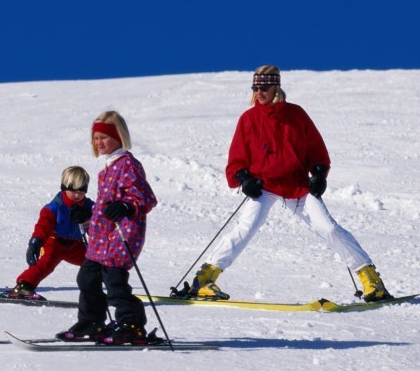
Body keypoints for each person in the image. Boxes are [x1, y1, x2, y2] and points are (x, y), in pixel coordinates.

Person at [186, 65, 391, 303]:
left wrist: (318, 174)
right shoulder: (249, 119)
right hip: (265, 186)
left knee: (329, 228)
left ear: (276, 87)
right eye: (255, 87)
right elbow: (237, 158)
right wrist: (245, 179)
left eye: (264, 87)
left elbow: (316, 151)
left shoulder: (296, 115)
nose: (259, 92)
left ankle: (371, 280)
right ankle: (203, 280)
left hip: (297, 186)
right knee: (245, 228)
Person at [57, 111, 158, 344]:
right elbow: (105, 207)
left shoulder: (128, 165)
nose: (99, 142)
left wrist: (126, 205)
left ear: (119, 137)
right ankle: (92, 321)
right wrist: (88, 216)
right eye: (95, 138)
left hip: (123, 235)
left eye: (104, 137)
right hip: (102, 238)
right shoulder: (107, 170)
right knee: (87, 278)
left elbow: (146, 198)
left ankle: (131, 324)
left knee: (114, 282)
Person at [0, 166, 95, 300]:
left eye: (81, 191)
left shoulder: (89, 207)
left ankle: (111, 289)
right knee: (45, 264)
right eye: (73, 190)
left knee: (95, 262)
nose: (77, 195)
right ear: (64, 187)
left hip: (76, 246)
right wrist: (36, 242)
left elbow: (99, 228)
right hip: (54, 242)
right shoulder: (54, 207)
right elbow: (43, 226)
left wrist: (89, 219)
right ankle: (24, 286)